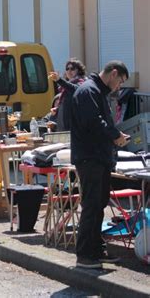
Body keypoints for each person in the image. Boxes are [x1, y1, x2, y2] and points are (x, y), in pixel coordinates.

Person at [69, 60, 130, 269]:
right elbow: (94, 122)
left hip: (99, 157)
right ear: (113, 74)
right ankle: (85, 255)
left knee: (99, 204)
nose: (118, 87)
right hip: (90, 157)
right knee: (92, 205)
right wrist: (116, 136)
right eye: (120, 82)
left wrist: (115, 136)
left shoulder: (96, 91)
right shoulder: (88, 91)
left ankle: (95, 249)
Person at [48, 58, 87, 131]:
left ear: (78, 70)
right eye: (67, 69)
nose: (69, 71)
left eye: (72, 68)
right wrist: (58, 109)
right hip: (64, 125)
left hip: (74, 126)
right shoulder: (65, 87)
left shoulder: (82, 82)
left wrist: (59, 80)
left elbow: (74, 88)